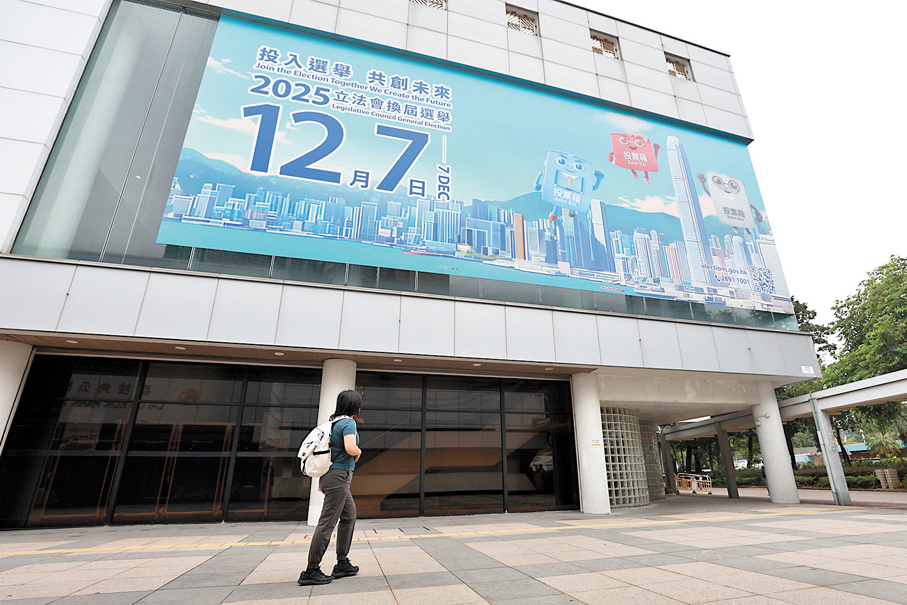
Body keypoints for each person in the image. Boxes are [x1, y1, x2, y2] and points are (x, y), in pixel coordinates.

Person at [298, 390, 364, 586]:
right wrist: (359, 452)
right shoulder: (348, 423)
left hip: (333, 477)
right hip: (339, 477)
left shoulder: (334, 422)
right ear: (354, 406)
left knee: (349, 515)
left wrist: (325, 480)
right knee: (327, 523)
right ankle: (311, 570)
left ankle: (342, 563)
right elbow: (351, 448)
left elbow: (330, 452)